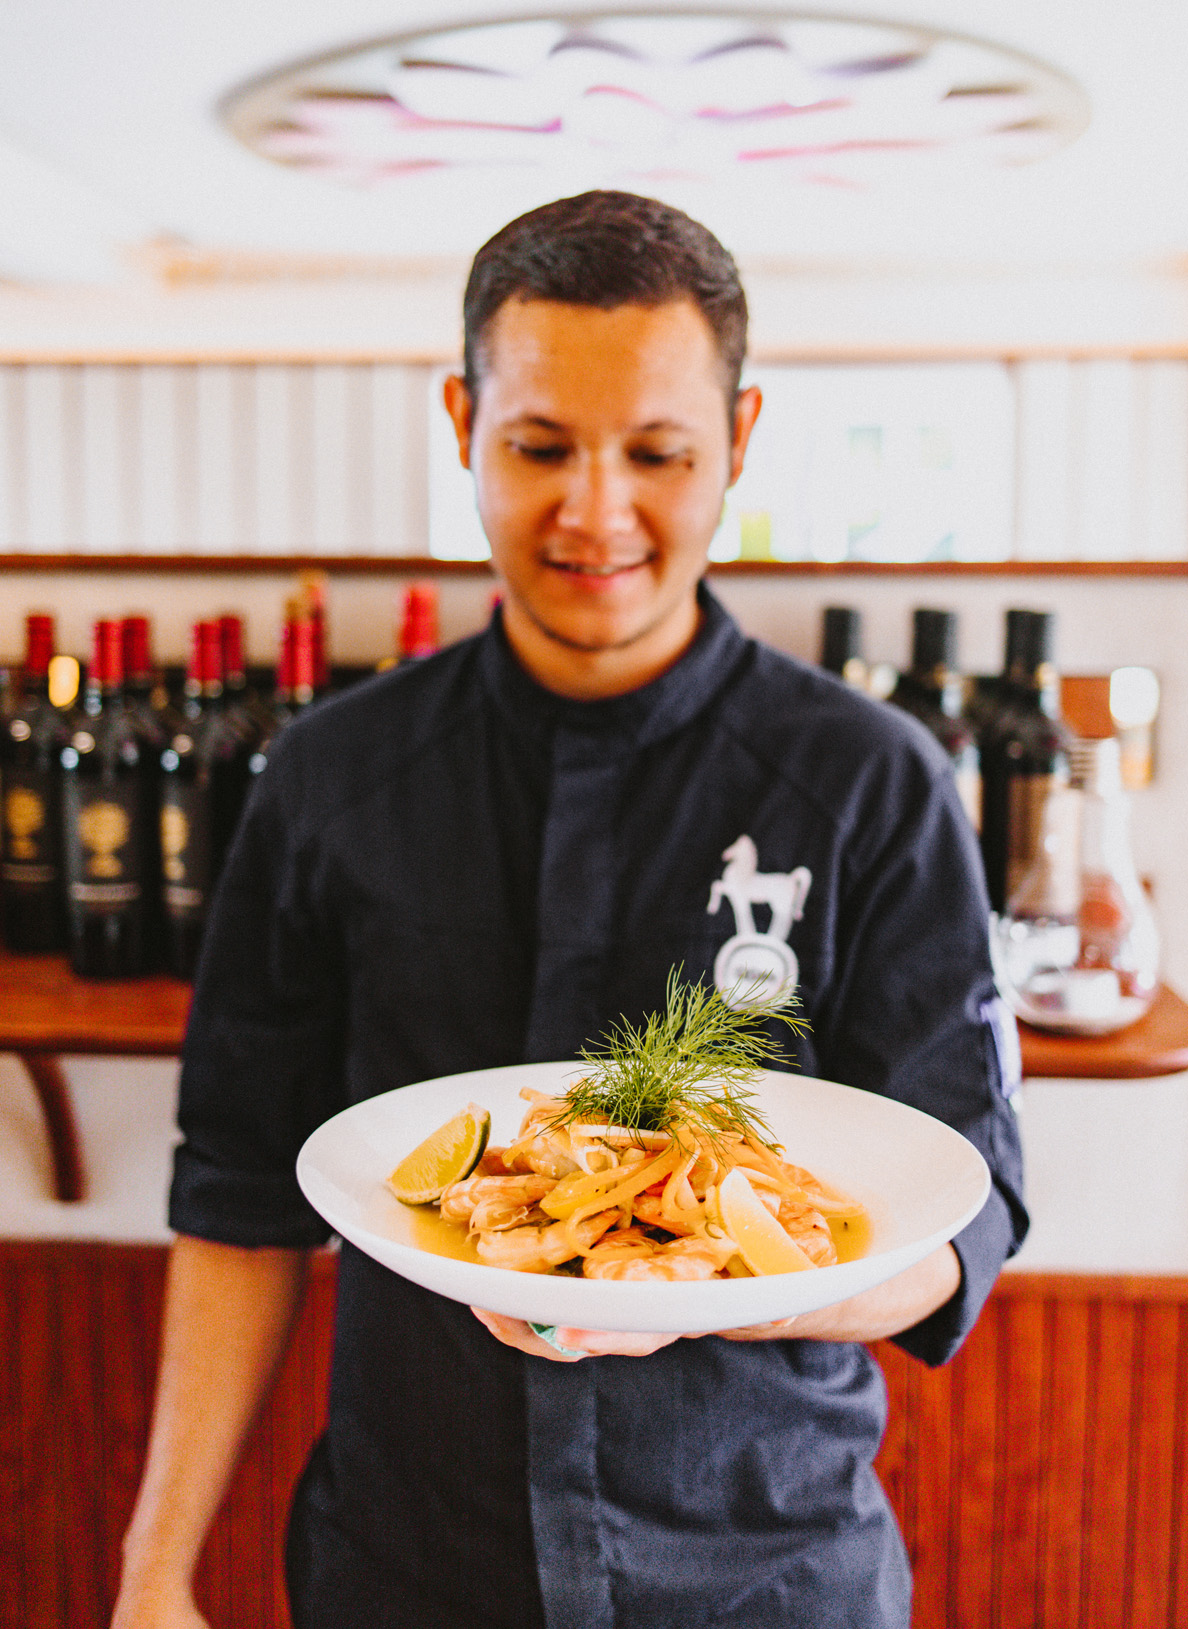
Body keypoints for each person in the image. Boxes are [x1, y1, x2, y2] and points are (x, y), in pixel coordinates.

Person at [112, 191, 1026, 1629]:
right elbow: (234, 1191)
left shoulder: (873, 784)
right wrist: (155, 1569)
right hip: (407, 1568)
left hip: (766, 1576)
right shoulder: (333, 780)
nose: (596, 510)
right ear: (463, 423)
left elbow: (965, 1212)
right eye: (540, 446)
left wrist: (743, 1278)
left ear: (741, 440)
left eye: (657, 452)